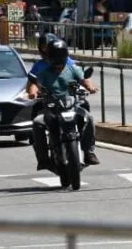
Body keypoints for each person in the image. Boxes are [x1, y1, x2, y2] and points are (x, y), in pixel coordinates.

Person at [27, 39, 99, 170]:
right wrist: (33, 93)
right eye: (55, 59)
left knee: (89, 118)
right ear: (49, 58)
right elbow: (34, 84)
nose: (58, 64)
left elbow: (84, 79)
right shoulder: (44, 72)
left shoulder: (73, 69)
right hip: (52, 109)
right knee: (37, 122)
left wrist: (91, 87)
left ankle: (89, 152)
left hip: (72, 106)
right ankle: (43, 159)